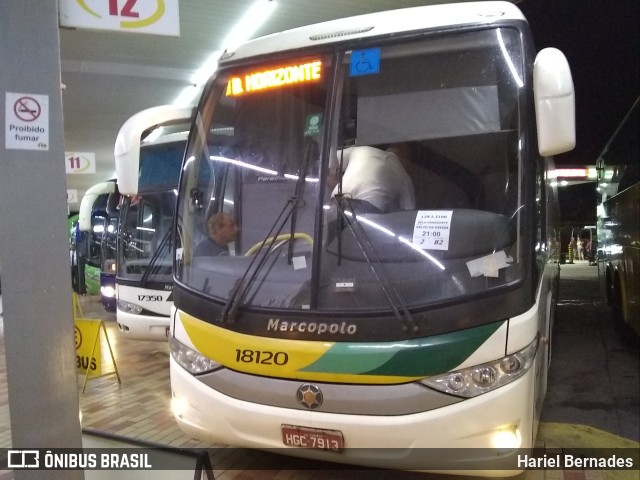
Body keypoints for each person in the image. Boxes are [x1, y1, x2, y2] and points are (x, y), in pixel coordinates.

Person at [330, 144, 416, 213]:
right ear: (405, 159)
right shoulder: (404, 177)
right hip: (367, 210)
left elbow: (326, 160)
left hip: (337, 199)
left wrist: (335, 182)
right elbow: (409, 212)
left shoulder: (362, 150)